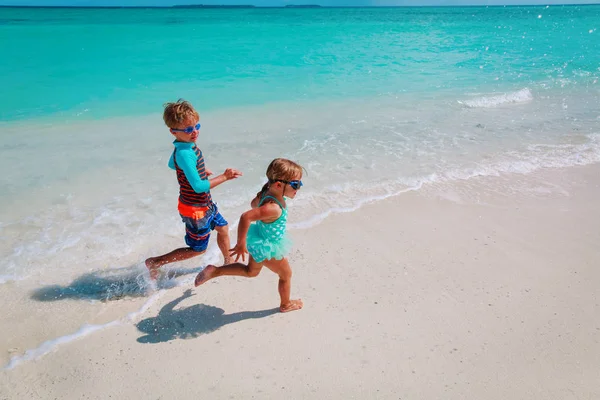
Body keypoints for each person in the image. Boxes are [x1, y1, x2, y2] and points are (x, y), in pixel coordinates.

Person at [145, 99, 242, 280]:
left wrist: (197, 171)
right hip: (195, 209)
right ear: (173, 131)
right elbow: (198, 187)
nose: (195, 132)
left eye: (196, 126)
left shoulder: (185, 146)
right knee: (198, 249)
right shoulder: (184, 153)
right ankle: (156, 262)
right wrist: (224, 177)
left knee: (223, 227)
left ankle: (228, 261)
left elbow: (171, 164)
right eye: (188, 129)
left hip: (205, 204)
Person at [194, 158, 304, 313]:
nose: (298, 188)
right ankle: (285, 304)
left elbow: (254, 204)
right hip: (268, 247)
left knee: (251, 272)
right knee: (286, 274)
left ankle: (215, 271)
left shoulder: (267, 193)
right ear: (279, 185)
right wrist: (240, 244)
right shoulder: (273, 207)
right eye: (296, 184)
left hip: (259, 239)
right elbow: (246, 216)